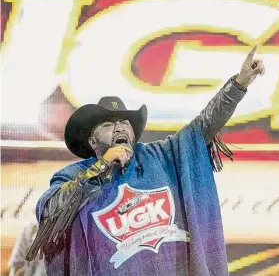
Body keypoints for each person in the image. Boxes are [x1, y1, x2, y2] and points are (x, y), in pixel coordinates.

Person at [26, 45, 265, 275]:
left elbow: (204, 125)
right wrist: (100, 167)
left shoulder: (162, 155)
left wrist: (239, 84)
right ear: (92, 142)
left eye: (123, 122)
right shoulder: (73, 175)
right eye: (108, 124)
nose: (119, 127)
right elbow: (50, 213)